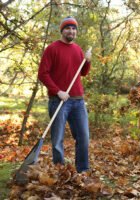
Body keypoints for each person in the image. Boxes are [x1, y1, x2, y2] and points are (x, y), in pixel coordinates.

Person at [38, 16, 92, 173]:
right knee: (57, 140)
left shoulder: (77, 49)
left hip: (78, 101)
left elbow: (83, 73)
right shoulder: (52, 49)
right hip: (58, 101)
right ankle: (60, 170)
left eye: (74, 28)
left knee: (83, 137)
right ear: (62, 30)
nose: (71, 31)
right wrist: (58, 91)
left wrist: (87, 61)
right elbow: (43, 74)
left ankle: (82, 170)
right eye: (68, 28)